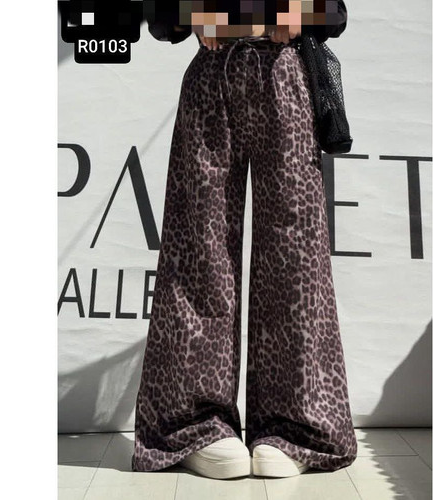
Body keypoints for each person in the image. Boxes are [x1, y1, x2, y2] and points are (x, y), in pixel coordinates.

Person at [132, 0, 358, 479]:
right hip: (213, 72)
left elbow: (335, 11)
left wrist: (300, 10)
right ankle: (193, 425)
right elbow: (161, 15)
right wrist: (195, 13)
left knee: (296, 255)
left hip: (285, 72)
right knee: (198, 250)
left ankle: (299, 427)